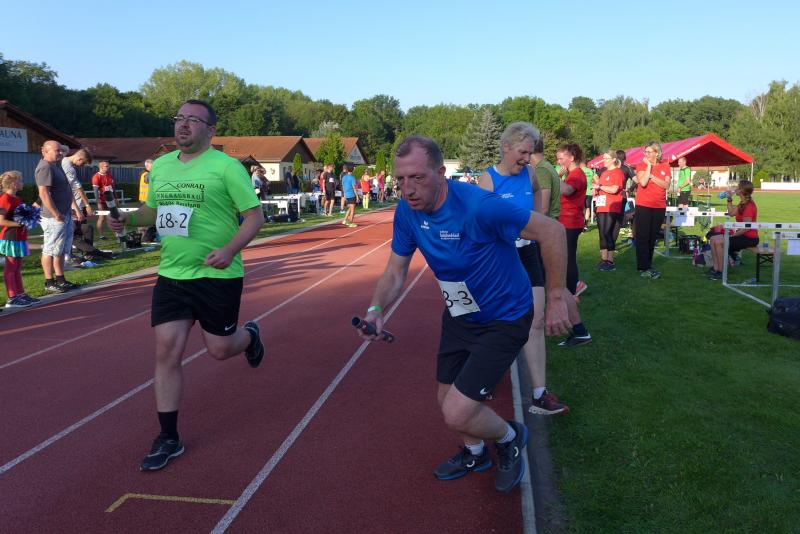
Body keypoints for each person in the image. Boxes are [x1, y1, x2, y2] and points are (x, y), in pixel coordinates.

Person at [357, 136, 571, 492]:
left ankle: (509, 437)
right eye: (401, 180)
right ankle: (475, 453)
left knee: (458, 410)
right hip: (461, 314)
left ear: (441, 173)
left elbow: (552, 231)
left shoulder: (479, 207)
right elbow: (395, 271)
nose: (408, 189)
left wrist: (557, 297)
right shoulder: (407, 212)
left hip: (505, 317)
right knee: (446, 400)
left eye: (417, 178)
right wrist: (376, 309)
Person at [107, 99, 266, 471]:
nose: (183, 125)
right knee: (166, 353)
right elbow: (153, 211)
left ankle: (250, 337)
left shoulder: (226, 167)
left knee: (220, 350)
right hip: (173, 274)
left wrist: (229, 250)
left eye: (192, 120)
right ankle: (168, 437)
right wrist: (128, 220)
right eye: (179, 118)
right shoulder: (161, 166)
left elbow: (254, 217)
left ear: (210, 130)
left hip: (217, 275)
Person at [478, 122, 568, 416]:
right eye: (523, 152)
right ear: (506, 147)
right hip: (500, 257)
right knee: (496, 321)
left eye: (530, 153)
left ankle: (540, 394)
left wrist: (537, 221)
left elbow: (537, 201)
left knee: (536, 320)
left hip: (528, 253)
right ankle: (485, 376)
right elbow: (480, 225)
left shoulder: (530, 174)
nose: (527, 159)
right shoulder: (487, 180)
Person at [555, 143, 593, 347]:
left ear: (571, 157)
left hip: (570, 221)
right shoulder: (572, 173)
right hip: (567, 221)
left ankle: (572, 289)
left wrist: (555, 177)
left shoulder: (577, 174)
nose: (558, 161)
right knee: (566, 258)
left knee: (568, 259)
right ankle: (573, 289)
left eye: (561, 158)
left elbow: (568, 190)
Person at [36, 141, 81, 293]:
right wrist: (55, 213)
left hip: (64, 214)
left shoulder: (56, 165)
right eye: (57, 151)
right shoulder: (45, 167)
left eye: (61, 150)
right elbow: (44, 193)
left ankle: (61, 279)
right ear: (45, 151)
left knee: (60, 249)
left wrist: (70, 210)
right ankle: (49, 282)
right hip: (53, 217)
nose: (60, 153)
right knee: (50, 249)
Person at [0, 171, 40, 307]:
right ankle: (12, 297)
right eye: (20, 180)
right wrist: (20, 223)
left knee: (17, 267)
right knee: (11, 267)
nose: (22, 183)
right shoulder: (5, 199)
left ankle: (20, 294)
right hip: (10, 237)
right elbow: (1, 221)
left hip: (20, 237)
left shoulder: (17, 198)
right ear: (13, 183)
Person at [708, 180, 758, 280]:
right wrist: (729, 199)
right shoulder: (742, 203)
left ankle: (721, 271)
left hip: (749, 238)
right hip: (742, 235)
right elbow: (731, 213)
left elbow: (747, 227)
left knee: (719, 242)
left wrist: (733, 235)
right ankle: (716, 268)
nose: (735, 189)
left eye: (738, 188)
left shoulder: (749, 206)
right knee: (713, 239)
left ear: (742, 191)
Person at [634, 142, 670, 279]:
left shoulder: (665, 166)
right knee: (643, 237)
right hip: (643, 205)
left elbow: (666, 185)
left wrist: (653, 177)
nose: (646, 154)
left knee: (652, 237)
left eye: (649, 152)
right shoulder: (641, 165)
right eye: (645, 152)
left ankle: (647, 264)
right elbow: (643, 182)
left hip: (659, 206)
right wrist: (649, 166)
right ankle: (644, 267)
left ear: (657, 153)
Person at [594, 150, 626, 271]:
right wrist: (596, 190)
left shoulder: (618, 172)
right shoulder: (604, 173)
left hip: (612, 206)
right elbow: (602, 187)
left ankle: (610, 261)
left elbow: (614, 189)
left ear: (613, 159)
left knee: (608, 233)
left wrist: (600, 186)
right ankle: (604, 260)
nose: (604, 161)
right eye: (604, 158)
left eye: (606, 158)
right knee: (602, 233)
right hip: (601, 205)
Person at [61, 148, 93, 266]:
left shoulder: (67, 165)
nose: (82, 166)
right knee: (70, 231)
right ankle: (69, 255)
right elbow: (69, 191)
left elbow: (78, 188)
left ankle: (86, 253)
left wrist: (86, 205)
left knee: (84, 228)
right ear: (79, 158)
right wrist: (78, 210)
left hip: (69, 205)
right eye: (83, 163)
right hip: (66, 206)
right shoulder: (68, 168)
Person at [91, 160, 116, 239]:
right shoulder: (96, 177)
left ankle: (116, 233)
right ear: (101, 167)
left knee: (114, 216)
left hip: (111, 200)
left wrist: (116, 198)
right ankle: (101, 235)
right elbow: (95, 191)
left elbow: (113, 187)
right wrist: (98, 202)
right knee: (101, 218)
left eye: (108, 166)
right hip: (102, 201)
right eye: (106, 166)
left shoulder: (109, 174)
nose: (108, 167)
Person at [340, 163, 359, 228]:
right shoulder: (352, 177)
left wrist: (345, 194)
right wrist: (357, 196)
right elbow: (354, 187)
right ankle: (351, 222)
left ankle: (345, 220)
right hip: (351, 194)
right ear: (352, 169)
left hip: (346, 194)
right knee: (353, 209)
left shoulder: (344, 177)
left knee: (350, 208)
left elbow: (343, 186)